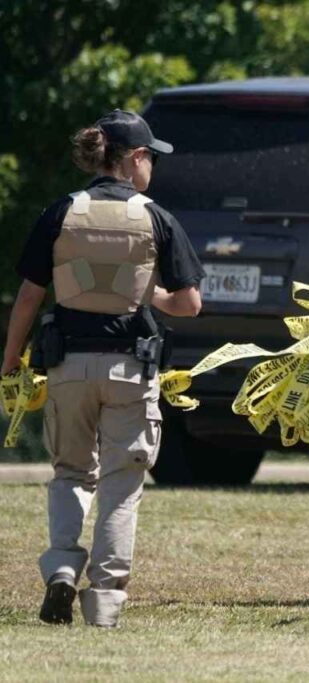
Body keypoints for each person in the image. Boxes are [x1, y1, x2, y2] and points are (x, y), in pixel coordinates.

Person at [2, 110, 205, 627]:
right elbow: (189, 304)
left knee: (71, 473)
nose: (152, 167)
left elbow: (28, 295)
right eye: (150, 158)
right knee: (121, 482)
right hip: (129, 371)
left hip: (67, 366)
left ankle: (62, 569)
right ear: (136, 158)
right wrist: (144, 292)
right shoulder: (156, 216)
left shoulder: (61, 212)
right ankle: (106, 600)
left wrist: (9, 363)